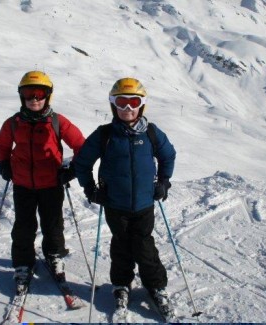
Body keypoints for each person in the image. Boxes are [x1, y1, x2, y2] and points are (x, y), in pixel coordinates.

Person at [72, 77, 177, 319]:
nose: (127, 108)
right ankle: (121, 284)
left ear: (142, 105)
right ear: (113, 105)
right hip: (115, 204)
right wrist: (90, 189)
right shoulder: (105, 135)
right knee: (121, 244)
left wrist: (163, 181)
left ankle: (156, 287)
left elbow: (168, 155)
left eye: (133, 102)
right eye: (121, 102)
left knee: (143, 245)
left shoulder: (151, 132)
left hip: (144, 204)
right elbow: (83, 163)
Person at [0, 70, 85, 288]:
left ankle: (54, 256)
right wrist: (4, 164)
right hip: (23, 184)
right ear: (21, 96)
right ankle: (23, 263)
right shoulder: (14, 123)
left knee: (53, 225)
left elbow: (81, 145)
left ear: (48, 95)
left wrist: (72, 169)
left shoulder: (57, 121)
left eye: (40, 93)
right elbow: (3, 144)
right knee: (24, 226)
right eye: (28, 93)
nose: (34, 99)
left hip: (51, 184)